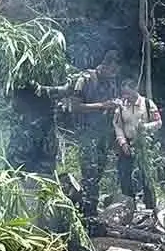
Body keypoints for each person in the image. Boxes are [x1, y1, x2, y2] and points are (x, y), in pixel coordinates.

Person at [38, 50, 122, 222]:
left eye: (116, 72)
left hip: (103, 133)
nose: (113, 74)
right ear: (105, 65)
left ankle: (85, 206)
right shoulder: (85, 79)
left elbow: (110, 105)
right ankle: (89, 213)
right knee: (90, 172)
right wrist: (102, 105)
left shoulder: (111, 82)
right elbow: (75, 107)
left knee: (98, 172)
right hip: (87, 133)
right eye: (112, 70)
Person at [112, 78, 162, 211]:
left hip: (144, 142)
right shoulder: (121, 106)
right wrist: (123, 143)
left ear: (135, 90)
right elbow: (117, 125)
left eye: (128, 93)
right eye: (124, 93)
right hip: (127, 142)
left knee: (146, 175)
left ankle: (150, 207)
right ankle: (129, 206)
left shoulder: (147, 104)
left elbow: (158, 122)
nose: (126, 96)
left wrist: (144, 127)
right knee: (124, 173)